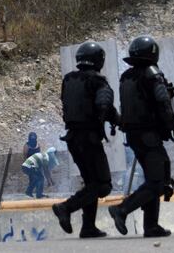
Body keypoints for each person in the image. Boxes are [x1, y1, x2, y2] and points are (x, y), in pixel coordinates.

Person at [109, 36, 174, 238]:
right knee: (159, 181)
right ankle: (122, 210)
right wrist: (169, 125)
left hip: (133, 134)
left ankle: (151, 226)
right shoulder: (152, 73)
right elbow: (163, 101)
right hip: (148, 134)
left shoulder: (127, 76)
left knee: (153, 178)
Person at [52, 41, 118, 239]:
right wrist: (120, 121)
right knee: (103, 184)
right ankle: (66, 207)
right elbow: (104, 105)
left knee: (91, 183)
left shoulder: (69, 79)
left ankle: (88, 227)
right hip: (89, 139)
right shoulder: (98, 81)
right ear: (99, 60)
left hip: (73, 139)